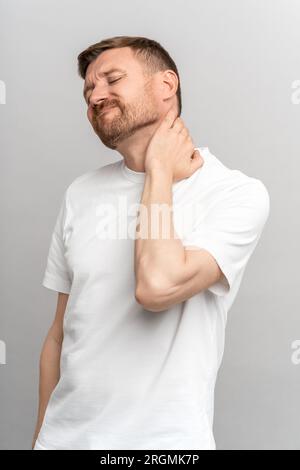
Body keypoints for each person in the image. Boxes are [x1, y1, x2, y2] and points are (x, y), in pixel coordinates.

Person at [32, 36, 270, 450]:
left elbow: (156, 287)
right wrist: (41, 439)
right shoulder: (80, 193)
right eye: (88, 89)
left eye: (112, 79)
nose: (95, 95)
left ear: (166, 85)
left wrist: (158, 170)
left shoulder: (235, 193)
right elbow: (58, 334)